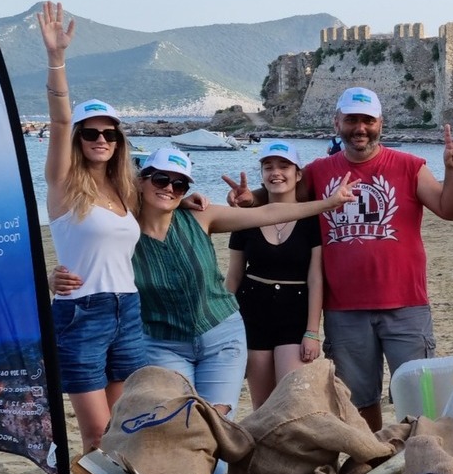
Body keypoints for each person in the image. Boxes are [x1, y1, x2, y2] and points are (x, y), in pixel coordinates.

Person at [125, 148, 356, 417]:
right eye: (160, 180)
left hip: (226, 333)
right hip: (171, 339)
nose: (170, 188)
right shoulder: (121, 227)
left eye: (180, 184)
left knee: (231, 419)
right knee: (181, 420)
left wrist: (329, 204)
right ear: (141, 180)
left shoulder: (201, 216)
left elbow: (270, 213)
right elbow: (90, 198)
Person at [292, 87, 453, 430]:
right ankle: (373, 465)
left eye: (368, 121)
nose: (360, 128)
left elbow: (451, 210)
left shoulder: (409, 166)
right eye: (352, 120)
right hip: (344, 310)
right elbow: (283, 201)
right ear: (337, 122)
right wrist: (249, 199)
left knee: (419, 399)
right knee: (358, 402)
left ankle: (418, 460)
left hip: (406, 306)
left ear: (380, 124)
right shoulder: (318, 171)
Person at [37, 1, 146, 450]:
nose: (101, 140)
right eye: (91, 133)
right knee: (96, 433)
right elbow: (60, 119)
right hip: (83, 312)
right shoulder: (63, 184)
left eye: (110, 133)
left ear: (119, 140)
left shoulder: (127, 190)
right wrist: (56, 59)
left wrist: (247, 198)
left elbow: (171, 194)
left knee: (124, 429)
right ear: (79, 139)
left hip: (129, 310)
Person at [220, 140, 324, 408]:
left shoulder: (312, 218)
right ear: (262, 176)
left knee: (292, 402)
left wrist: (312, 331)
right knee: (263, 406)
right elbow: (233, 278)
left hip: (295, 313)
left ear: (298, 174)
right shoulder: (245, 218)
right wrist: (224, 327)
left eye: (284, 166)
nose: (275, 172)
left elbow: (315, 278)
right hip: (253, 312)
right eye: (268, 167)